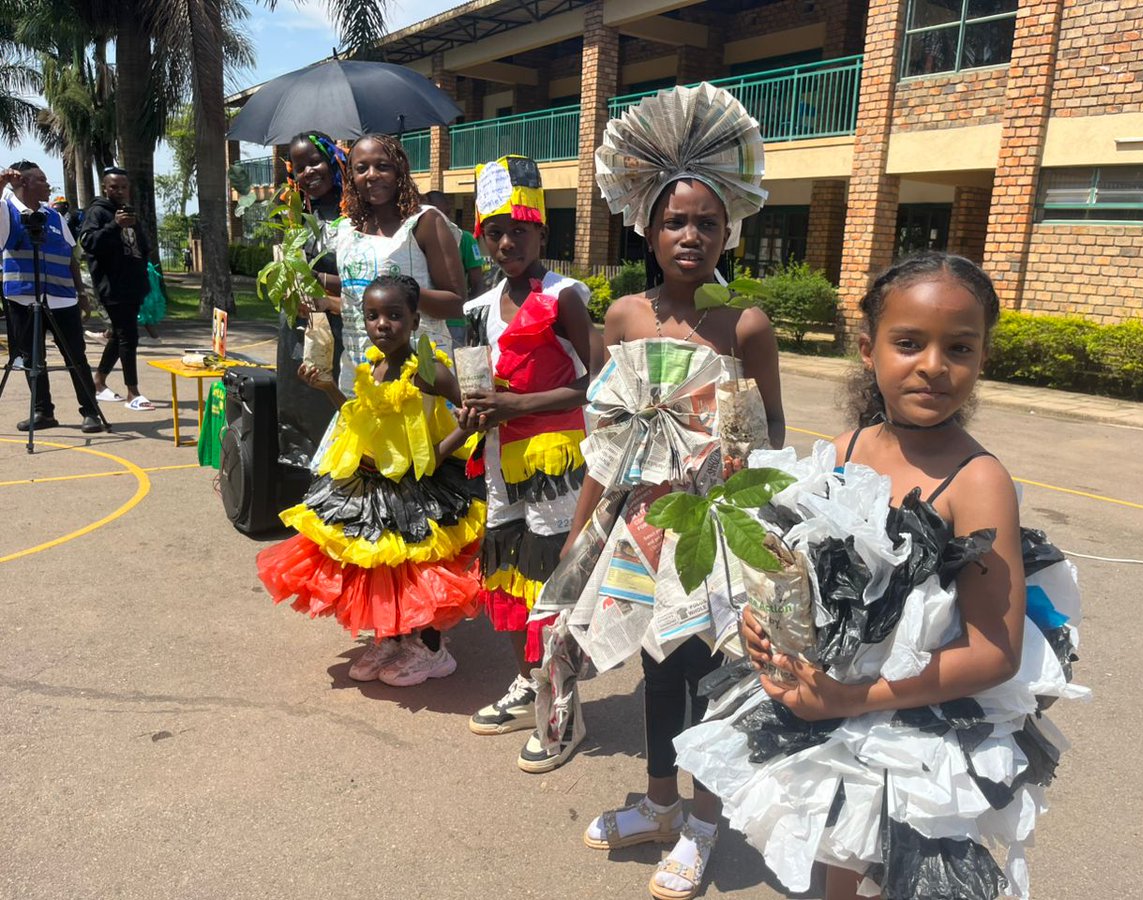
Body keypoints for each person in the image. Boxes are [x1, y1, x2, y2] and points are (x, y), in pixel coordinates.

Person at [674, 252, 1086, 900]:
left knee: (903, 873)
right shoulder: (845, 449)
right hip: (833, 706)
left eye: (959, 347)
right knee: (842, 855)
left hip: (919, 721)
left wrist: (851, 701)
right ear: (869, 349)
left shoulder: (977, 483)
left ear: (983, 359)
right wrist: (765, 628)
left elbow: (995, 650)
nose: (932, 365)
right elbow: (800, 574)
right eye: (909, 342)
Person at [553, 85, 783, 900]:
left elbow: (774, 441)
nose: (691, 237)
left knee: (712, 674)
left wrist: (725, 446)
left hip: (717, 532)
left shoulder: (745, 325)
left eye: (708, 223)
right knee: (654, 669)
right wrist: (578, 544)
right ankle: (658, 804)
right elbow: (607, 444)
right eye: (675, 221)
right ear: (645, 226)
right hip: (641, 526)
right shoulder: (620, 318)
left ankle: (705, 822)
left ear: (730, 231)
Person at [256, 274, 485, 686]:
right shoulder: (373, 367)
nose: (383, 324)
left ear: (415, 321)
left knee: (420, 565)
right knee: (381, 564)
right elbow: (360, 420)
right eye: (373, 316)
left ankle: (432, 649)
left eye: (395, 316)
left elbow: (470, 409)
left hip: (420, 481)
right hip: (371, 480)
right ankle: (393, 637)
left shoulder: (426, 369)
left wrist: (453, 441)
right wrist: (328, 389)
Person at [458, 155, 596, 772]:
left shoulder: (566, 296)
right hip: (499, 459)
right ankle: (527, 681)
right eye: (495, 231)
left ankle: (562, 704)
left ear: (543, 232)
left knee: (552, 579)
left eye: (521, 229)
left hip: (556, 462)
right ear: (482, 236)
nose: (508, 241)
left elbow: (597, 383)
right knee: (510, 569)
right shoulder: (481, 305)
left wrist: (517, 403)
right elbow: (478, 383)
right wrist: (475, 411)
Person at [334, 134, 465, 397]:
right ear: (351, 177)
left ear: (400, 172)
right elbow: (356, 293)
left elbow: (456, 303)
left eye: (383, 166)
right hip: (359, 370)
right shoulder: (347, 229)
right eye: (361, 168)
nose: (372, 175)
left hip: (418, 373)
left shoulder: (424, 222)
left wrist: (403, 293)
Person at [0, 161, 101, 433]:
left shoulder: (55, 217)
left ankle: (91, 411)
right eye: (42, 180)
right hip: (23, 300)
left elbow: (70, 256)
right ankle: (42, 411)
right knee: (32, 359)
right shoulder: (7, 211)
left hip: (62, 299)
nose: (48, 185)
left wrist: (81, 292)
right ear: (24, 184)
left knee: (76, 357)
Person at [276, 131, 348, 469]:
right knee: (302, 404)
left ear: (334, 160)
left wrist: (316, 280)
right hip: (300, 328)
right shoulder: (296, 216)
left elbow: (362, 280)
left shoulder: (354, 216)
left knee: (337, 410)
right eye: (299, 166)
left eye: (315, 161)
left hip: (344, 329)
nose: (308, 172)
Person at [79, 167, 154, 411]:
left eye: (123, 187)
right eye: (114, 187)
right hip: (112, 285)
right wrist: (114, 225)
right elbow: (88, 242)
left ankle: (98, 382)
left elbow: (143, 248)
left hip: (133, 285)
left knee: (121, 335)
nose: (119, 191)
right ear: (105, 188)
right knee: (128, 337)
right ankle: (133, 392)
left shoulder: (129, 213)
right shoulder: (98, 212)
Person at [425, 189, 485, 300]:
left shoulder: (465, 239)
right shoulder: (414, 241)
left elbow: (478, 284)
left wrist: (466, 310)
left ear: (447, 213)